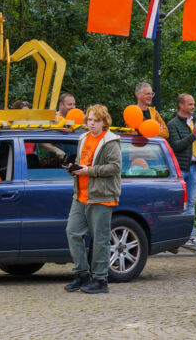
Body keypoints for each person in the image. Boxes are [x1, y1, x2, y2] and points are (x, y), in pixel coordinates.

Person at [64, 104, 121, 294]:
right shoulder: (83, 137)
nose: (92, 124)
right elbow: (85, 163)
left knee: (100, 239)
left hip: (101, 196)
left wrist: (89, 171)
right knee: (73, 232)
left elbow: (114, 167)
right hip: (80, 194)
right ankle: (81, 274)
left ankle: (100, 279)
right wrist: (74, 168)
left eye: (96, 120)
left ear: (104, 122)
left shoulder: (110, 140)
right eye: (89, 120)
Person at [167, 93, 196, 246]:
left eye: (194, 103)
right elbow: (176, 145)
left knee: (191, 202)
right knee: (178, 203)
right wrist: (192, 136)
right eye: (190, 104)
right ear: (181, 105)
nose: (193, 106)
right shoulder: (173, 124)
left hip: (194, 169)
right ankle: (177, 236)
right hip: (180, 170)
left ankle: (188, 236)